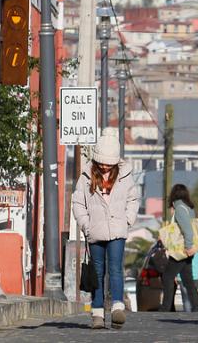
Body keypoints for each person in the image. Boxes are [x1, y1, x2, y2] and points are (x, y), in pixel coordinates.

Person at [72, 130, 141, 330]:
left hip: (117, 231)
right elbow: (78, 202)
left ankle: (118, 308)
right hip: (94, 232)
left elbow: (133, 200)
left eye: (108, 164)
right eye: (101, 163)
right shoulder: (86, 176)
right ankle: (97, 313)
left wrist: (127, 221)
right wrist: (86, 225)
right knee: (97, 272)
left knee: (115, 269)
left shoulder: (125, 176)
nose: (104, 167)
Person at [160, 184, 198, 313]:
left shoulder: (179, 208)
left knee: (167, 277)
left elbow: (188, 231)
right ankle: (197, 308)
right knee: (188, 280)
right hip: (187, 250)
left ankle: (166, 308)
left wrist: (188, 247)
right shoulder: (189, 208)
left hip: (181, 250)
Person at [179, 243, 198, 312]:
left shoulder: (180, 243)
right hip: (194, 276)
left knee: (186, 300)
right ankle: (195, 316)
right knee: (194, 298)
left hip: (182, 275)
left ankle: (188, 318)